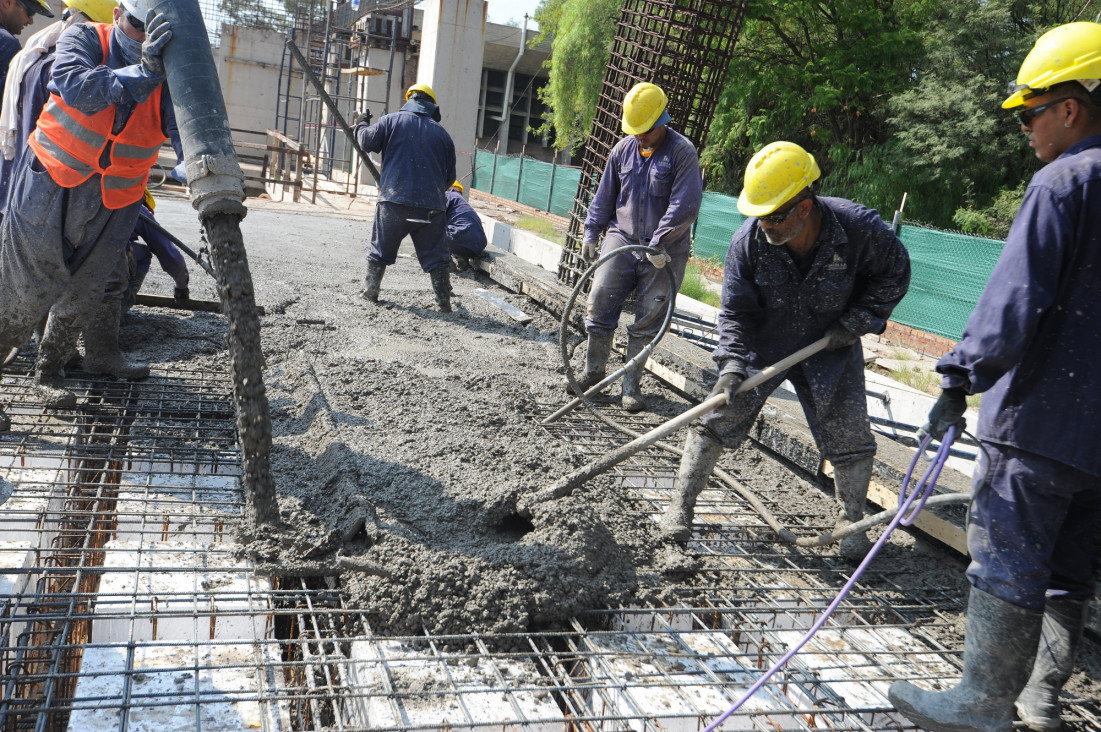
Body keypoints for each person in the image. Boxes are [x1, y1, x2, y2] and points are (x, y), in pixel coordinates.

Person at [887, 22, 1101, 732]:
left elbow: (1013, 301)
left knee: (1006, 560)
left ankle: (981, 703)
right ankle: (1040, 699)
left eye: (1029, 113)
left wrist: (956, 379)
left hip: (1040, 422)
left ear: (1069, 107)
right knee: (1070, 567)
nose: (1024, 130)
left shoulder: (1063, 182)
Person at [659, 141, 910, 561]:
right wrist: (732, 364)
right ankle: (679, 507)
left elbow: (895, 275)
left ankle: (850, 521)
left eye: (775, 215)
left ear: (805, 207)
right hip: (765, 343)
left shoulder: (859, 230)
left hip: (832, 341)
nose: (766, 226)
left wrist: (858, 321)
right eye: (758, 216)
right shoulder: (749, 244)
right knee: (716, 414)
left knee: (849, 432)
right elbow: (736, 312)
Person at [0, 0, 176, 429]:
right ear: (117, 15)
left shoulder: (172, 72)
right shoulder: (84, 38)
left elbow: (185, 128)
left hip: (114, 200)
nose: (143, 37)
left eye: (153, 30)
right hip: (51, 184)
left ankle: (50, 371)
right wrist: (142, 74)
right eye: (137, 25)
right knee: (23, 289)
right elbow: (75, 85)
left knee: (85, 290)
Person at [577, 81, 702, 413]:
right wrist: (591, 233)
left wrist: (660, 242)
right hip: (623, 237)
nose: (641, 135)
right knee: (600, 298)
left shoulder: (682, 153)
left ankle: (630, 386)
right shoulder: (622, 151)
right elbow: (604, 197)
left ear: (663, 120)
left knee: (649, 317)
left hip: (666, 248)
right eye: (636, 130)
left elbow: (684, 205)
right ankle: (594, 373)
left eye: (646, 129)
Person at [353, 82, 457, 312]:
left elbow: (367, 142)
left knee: (380, 250)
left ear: (409, 100)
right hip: (431, 208)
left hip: (393, 202)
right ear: (432, 106)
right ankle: (443, 302)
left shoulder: (390, 121)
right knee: (437, 257)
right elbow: (449, 180)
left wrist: (361, 124)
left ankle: (371, 292)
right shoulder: (443, 136)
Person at [123, 188, 189, 312]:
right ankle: (119, 308)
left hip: (78, 256)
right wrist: (182, 286)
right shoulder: (138, 208)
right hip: (107, 258)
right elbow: (168, 252)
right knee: (142, 255)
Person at [0, 0, 52, 84]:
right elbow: (9, 95)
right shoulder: (7, 43)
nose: (31, 21)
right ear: (7, 2)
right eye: (30, 12)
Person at [443, 181, 487, 271]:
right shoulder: (463, 204)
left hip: (459, 238)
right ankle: (462, 258)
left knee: (434, 230)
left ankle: (445, 263)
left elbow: (436, 217)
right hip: (479, 245)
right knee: (457, 231)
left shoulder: (448, 195)